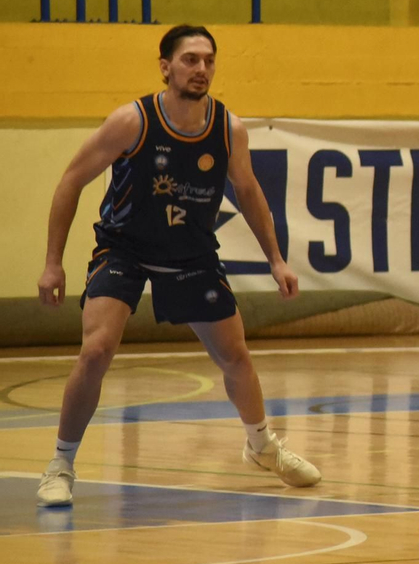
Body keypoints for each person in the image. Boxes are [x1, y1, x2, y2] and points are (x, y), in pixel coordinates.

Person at [34, 25, 319, 507]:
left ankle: (262, 445)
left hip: (190, 253)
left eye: (208, 60)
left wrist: (276, 259)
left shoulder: (229, 128)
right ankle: (61, 463)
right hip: (123, 247)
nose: (201, 69)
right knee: (97, 350)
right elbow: (71, 181)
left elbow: (248, 193)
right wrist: (52, 263)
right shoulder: (132, 121)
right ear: (166, 66)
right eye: (190, 59)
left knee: (236, 356)